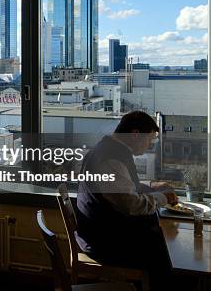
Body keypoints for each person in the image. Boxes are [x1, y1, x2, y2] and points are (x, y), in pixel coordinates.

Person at [76, 111, 181, 290]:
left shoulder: (108, 150)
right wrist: (163, 197)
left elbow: (125, 186)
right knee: (167, 255)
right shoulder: (110, 159)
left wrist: (153, 185)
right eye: (149, 140)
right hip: (105, 242)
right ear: (135, 135)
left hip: (100, 232)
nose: (149, 146)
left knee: (163, 244)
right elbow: (132, 205)